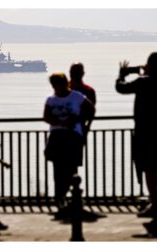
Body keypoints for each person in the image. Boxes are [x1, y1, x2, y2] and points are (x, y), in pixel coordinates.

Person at [115, 52, 157, 219]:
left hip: (144, 130)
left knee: (149, 168)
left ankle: (155, 204)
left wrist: (122, 74)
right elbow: (156, 83)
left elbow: (121, 88)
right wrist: (146, 72)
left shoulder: (143, 82)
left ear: (150, 65)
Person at [43, 73, 94, 211]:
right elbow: (46, 117)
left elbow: (91, 109)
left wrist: (79, 121)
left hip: (73, 136)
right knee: (58, 170)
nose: (56, 87)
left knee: (71, 168)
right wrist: (60, 122)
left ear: (65, 83)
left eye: (58, 84)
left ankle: (71, 197)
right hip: (57, 136)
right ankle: (60, 198)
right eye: (54, 85)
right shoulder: (51, 100)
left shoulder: (76, 96)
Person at [69, 62, 96, 136]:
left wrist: (87, 126)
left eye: (76, 72)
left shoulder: (89, 91)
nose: (74, 75)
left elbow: (91, 110)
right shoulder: (63, 89)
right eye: (73, 72)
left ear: (82, 74)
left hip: (80, 127)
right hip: (63, 128)